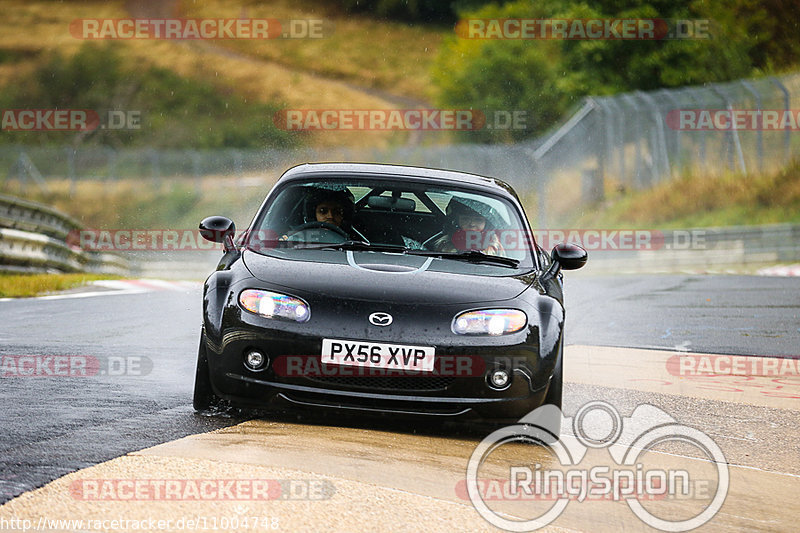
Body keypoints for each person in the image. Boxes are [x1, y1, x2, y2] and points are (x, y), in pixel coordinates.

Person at [430, 197, 504, 255]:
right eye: (465, 219)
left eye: (478, 220)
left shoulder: (495, 247)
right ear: (456, 221)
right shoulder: (444, 244)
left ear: (487, 224)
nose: (472, 224)